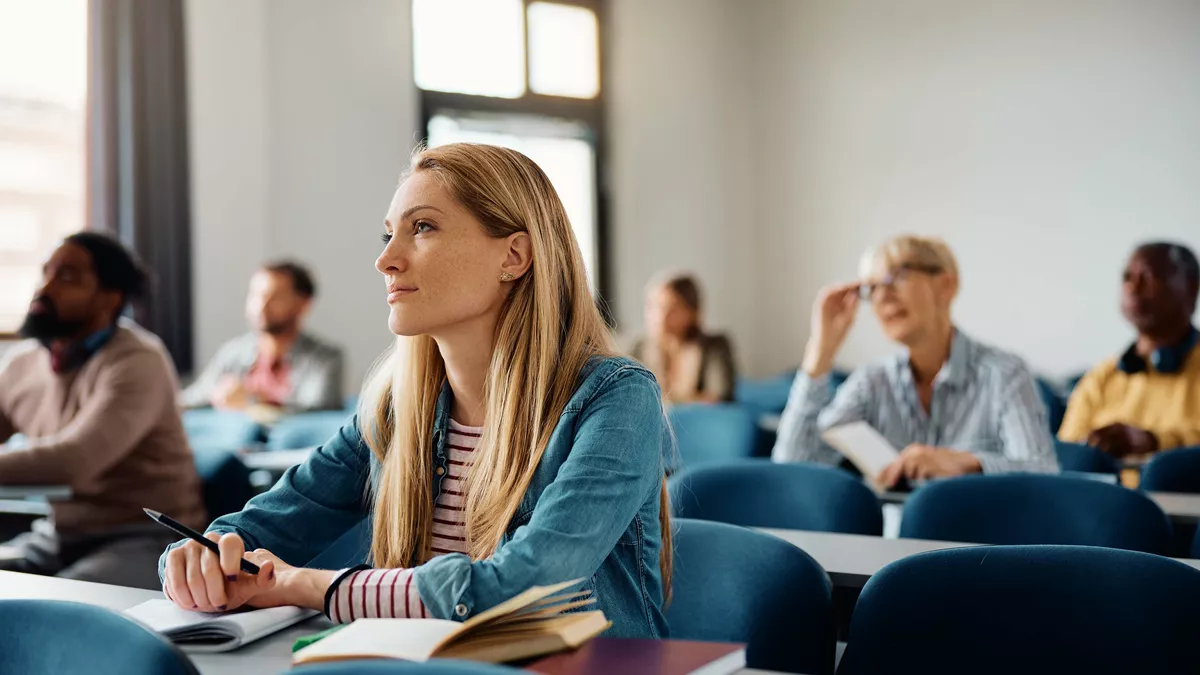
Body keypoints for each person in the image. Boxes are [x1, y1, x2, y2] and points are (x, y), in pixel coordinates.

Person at [159, 143, 671, 638]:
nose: (386, 260)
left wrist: (312, 587)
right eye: (388, 235)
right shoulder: (395, 411)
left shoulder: (617, 399)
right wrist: (199, 559)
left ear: (513, 256)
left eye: (422, 227)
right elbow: (256, 528)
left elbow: (526, 585)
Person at [0, 233, 205, 589]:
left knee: (56, 612)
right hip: (59, 536)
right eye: (46, 273)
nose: (45, 288)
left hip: (144, 539)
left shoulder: (138, 359)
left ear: (110, 298)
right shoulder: (22, 363)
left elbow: (74, 462)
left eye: (67, 277)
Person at [772, 235, 1057, 487]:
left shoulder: (1004, 374)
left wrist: (969, 463)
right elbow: (792, 466)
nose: (883, 296)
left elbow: (1043, 473)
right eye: (871, 288)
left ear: (946, 285)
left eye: (898, 275)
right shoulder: (871, 382)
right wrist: (821, 351)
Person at [1059, 242, 1200, 457]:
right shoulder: (1102, 377)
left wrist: (1153, 441)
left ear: (1191, 288)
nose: (1133, 288)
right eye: (1127, 278)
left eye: (1148, 277)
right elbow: (1066, 457)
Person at [181, 261, 344, 413]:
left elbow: (320, 411)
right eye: (255, 295)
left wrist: (255, 401)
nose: (261, 306)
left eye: (275, 297)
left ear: (303, 304)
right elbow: (192, 398)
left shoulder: (325, 358)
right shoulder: (233, 352)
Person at [629, 272, 737, 403]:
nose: (661, 317)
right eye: (654, 307)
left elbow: (720, 397)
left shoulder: (715, 346)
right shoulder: (637, 348)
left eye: (672, 309)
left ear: (692, 312)